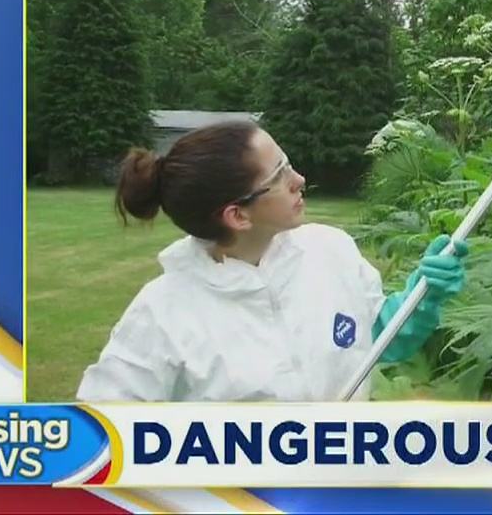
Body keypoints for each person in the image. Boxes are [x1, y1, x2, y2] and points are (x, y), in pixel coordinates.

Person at [74, 119, 469, 402]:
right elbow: (101, 433)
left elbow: (374, 339)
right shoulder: (162, 313)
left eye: (287, 163)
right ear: (238, 216)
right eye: (279, 175)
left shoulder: (330, 249)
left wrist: (422, 297)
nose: (299, 179)